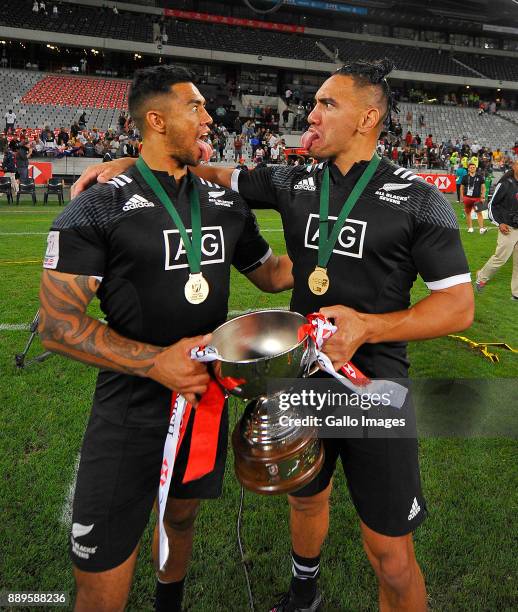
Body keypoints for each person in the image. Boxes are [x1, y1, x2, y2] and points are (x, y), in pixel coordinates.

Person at [71, 59, 474, 612]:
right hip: (298, 379)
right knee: (306, 498)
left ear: (367, 118)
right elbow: (204, 173)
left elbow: (458, 307)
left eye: (327, 104)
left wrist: (371, 327)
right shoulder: (290, 179)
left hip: (371, 387)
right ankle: (303, 588)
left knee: (391, 554)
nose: (310, 114)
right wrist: (127, 159)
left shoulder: (420, 198)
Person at [38, 65, 293, 612]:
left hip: (204, 400)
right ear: (155, 119)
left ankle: (168, 604)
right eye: (195, 107)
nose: (210, 118)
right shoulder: (96, 206)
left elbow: (270, 273)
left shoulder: (225, 203)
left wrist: (340, 258)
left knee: (182, 513)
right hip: (128, 412)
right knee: (102, 575)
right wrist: (155, 363)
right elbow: (57, 325)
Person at [476, 161, 518, 300]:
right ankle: (481, 276)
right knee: (501, 258)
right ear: (514, 167)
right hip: (508, 228)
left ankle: (516, 293)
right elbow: (492, 205)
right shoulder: (506, 184)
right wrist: (499, 223)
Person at [460, 162, 487, 233]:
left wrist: (483, 196)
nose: (472, 168)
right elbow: (461, 188)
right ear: (468, 169)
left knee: (479, 213)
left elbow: (483, 188)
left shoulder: (480, 177)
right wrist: (462, 197)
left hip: (477, 198)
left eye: (473, 167)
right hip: (467, 198)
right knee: (468, 213)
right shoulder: (465, 177)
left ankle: (481, 229)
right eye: (471, 167)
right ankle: (470, 228)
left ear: (476, 168)